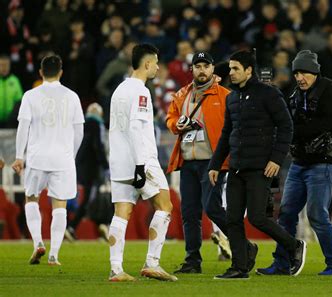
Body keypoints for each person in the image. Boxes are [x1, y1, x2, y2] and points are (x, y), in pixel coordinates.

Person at [208, 49, 306, 280]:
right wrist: (215, 164)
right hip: (236, 167)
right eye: (230, 68)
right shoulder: (232, 97)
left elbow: (286, 127)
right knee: (232, 219)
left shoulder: (268, 93)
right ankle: (239, 267)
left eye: (235, 69)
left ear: (249, 70)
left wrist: (276, 159)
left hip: (261, 168)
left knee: (256, 218)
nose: (230, 73)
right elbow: (226, 134)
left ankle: (294, 245)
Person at [257, 50, 332, 276]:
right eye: (297, 73)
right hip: (300, 162)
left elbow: (331, 122)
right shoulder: (295, 94)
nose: (300, 77)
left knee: (317, 214)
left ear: (315, 72)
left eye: (304, 72)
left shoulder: (330, 89)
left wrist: (293, 132)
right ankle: (282, 262)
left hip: (323, 162)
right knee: (286, 213)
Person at [107, 43, 177, 282]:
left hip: (118, 160)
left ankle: (116, 270)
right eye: (156, 63)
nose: (157, 67)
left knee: (121, 213)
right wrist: (140, 165)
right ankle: (152, 263)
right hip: (142, 160)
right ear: (147, 64)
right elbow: (136, 127)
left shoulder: (119, 90)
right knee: (165, 206)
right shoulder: (140, 91)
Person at [12, 54, 85, 266]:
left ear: (41, 72)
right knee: (59, 205)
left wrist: (19, 156)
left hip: (37, 158)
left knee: (31, 198)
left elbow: (23, 127)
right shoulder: (72, 96)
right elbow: (79, 130)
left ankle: (37, 244)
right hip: (62, 159)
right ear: (61, 72)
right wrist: (71, 154)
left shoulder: (30, 96)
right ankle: (54, 254)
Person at [166, 51, 231, 273]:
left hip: (212, 163)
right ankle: (192, 260)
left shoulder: (224, 95)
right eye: (198, 66)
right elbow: (170, 118)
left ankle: (241, 245)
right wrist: (177, 124)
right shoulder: (182, 94)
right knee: (189, 212)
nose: (202, 70)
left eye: (206, 66)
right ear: (192, 69)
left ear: (213, 69)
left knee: (212, 208)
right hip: (187, 162)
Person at [65, 103, 110, 241]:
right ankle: (72, 227)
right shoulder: (96, 125)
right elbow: (98, 146)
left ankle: (99, 225)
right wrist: (105, 165)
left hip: (79, 166)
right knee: (89, 198)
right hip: (92, 168)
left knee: (88, 198)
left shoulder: (81, 124)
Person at [0, 55, 23, 128]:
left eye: (6, 65)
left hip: (11, 123)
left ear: (9, 66)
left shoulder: (15, 80)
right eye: (2, 65)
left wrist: (13, 117)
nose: (4, 67)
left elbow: (19, 101)